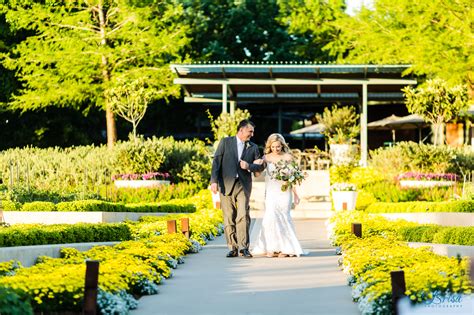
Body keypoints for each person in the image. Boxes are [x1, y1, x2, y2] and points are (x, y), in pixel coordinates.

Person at [210, 119, 265, 258]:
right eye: (250, 131)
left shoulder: (253, 147)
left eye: (252, 132)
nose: (252, 134)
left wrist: (249, 166)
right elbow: (216, 162)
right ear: (241, 130)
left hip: (243, 185)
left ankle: (244, 247)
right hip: (225, 185)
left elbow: (259, 167)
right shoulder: (225, 142)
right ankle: (232, 247)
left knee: (243, 216)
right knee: (229, 217)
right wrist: (214, 181)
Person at [251, 133, 305, 258]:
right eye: (273, 147)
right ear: (270, 146)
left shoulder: (288, 157)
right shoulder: (266, 158)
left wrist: (296, 194)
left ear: (282, 146)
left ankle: (285, 248)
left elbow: (294, 177)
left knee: (284, 217)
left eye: (278, 147)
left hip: (284, 192)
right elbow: (258, 174)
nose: (276, 149)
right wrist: (255, 164)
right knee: (270, 217)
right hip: (271, 192)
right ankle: (271, 248)